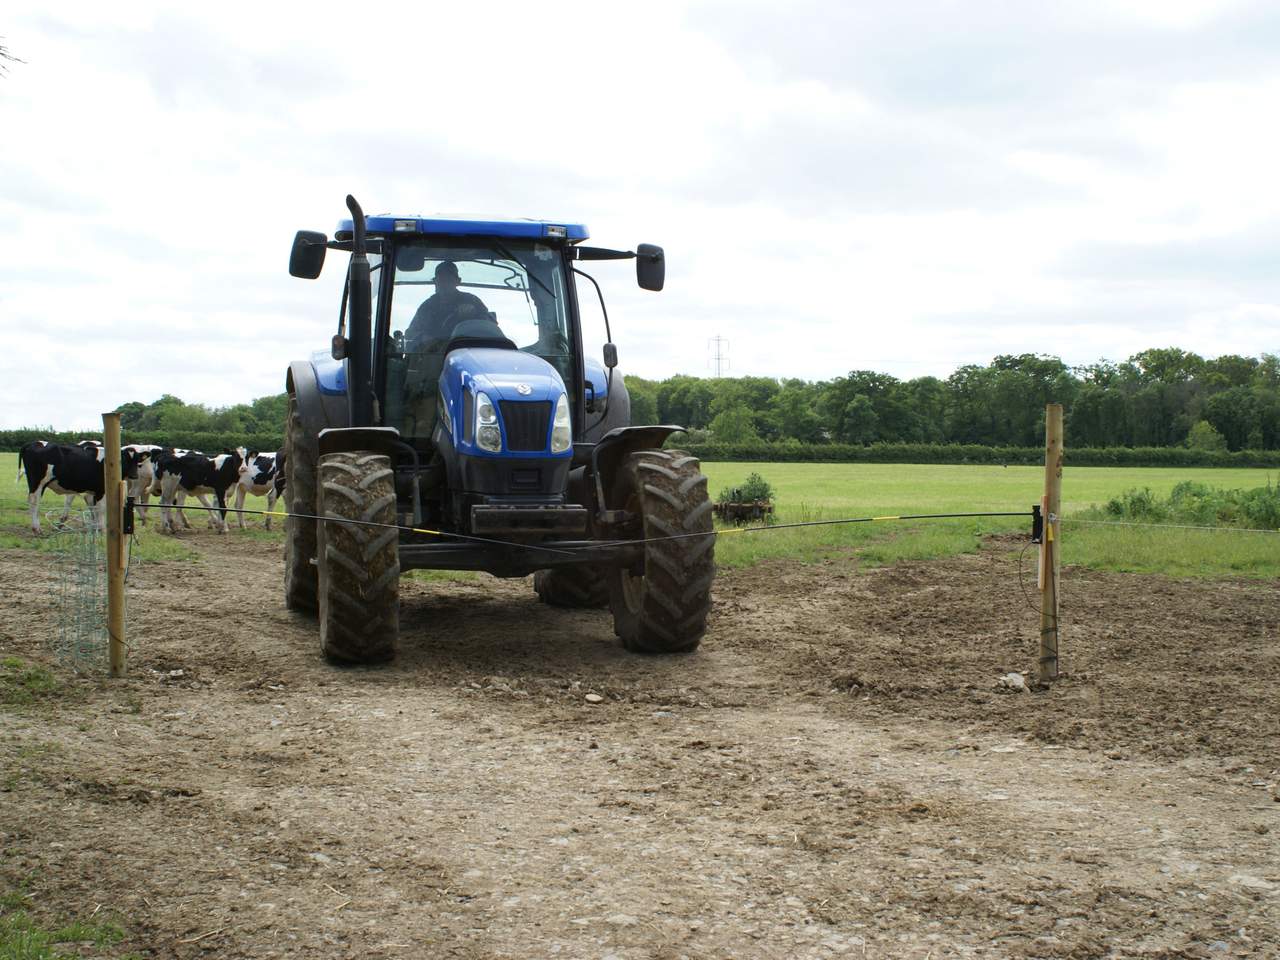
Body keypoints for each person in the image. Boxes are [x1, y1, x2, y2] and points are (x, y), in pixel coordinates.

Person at [404, 260, 490, 352]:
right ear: (435, 281)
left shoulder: (472, 301)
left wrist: (474, 315)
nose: (444, 283)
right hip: (434, 356)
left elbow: (491, 327)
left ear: (458, 281)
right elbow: (409, 333)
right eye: (440, 279)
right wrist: (423, 337)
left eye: (448, 279)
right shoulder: (427, 306)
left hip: (467, 353)